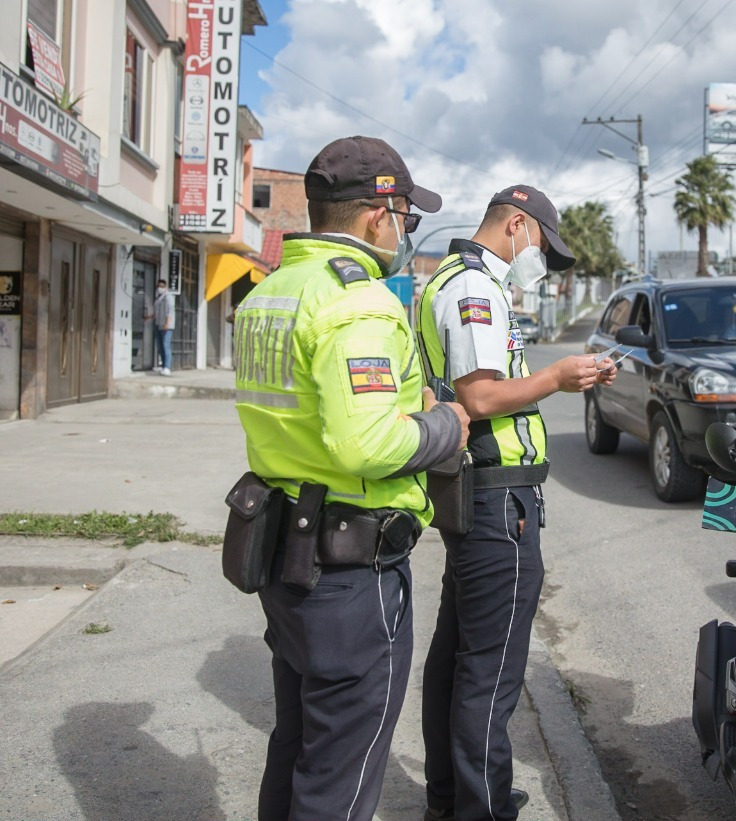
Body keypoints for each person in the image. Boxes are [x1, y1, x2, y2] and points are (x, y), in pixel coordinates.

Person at [233, 135, 470, 821]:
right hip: (351, 574)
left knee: (299, 744)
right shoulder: (358, 303)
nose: (404, 231)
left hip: (285, 556)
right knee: (342, 774)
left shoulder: (270, 292)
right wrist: (447, 423)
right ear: (378, 212)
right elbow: (366, 442)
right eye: (407, 217)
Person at [416, 185, 616, 821]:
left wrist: (566, 375)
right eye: (542, 247)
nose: (543, 262)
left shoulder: (452, 277)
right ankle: (481, 809)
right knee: (490, 671)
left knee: (456, 657)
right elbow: (479, 398)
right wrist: (558, 378)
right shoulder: (474, 288)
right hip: (498, 497)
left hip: (476, 492)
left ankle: (456, 797)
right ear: (517, 224)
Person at [147, 278, 175, 375]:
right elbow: (157, 312)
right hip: (158, 324)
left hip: (166, 325)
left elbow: (170, 310)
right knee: (160, 346)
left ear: (166, 287)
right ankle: (163, 366)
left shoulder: (168, 296)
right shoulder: (159, 298)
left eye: (162, 286)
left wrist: (167, 323)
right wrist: (149, 317)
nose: (160, 288)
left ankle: (167, 367)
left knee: (165, 345)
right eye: (158, 286)